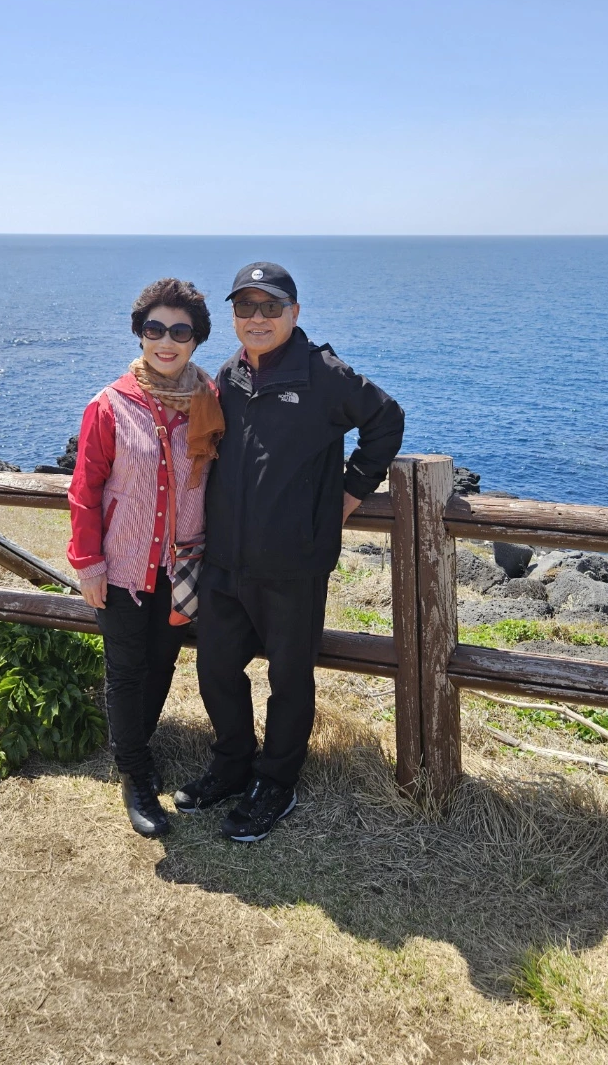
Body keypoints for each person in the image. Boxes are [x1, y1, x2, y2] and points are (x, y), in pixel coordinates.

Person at [174, 261, 404, 842]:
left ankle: (276, 782)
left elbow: (386, 420)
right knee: (215, 668)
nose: (258, 318)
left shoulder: (323, 374)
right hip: (225, 559)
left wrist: (350, 493)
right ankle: (232, 764)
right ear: (233, 315)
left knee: (290, 679)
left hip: (294, 562)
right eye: (245, 306)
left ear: (294, 313)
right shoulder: (228, 375)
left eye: (270, 306)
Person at [68, 278, 224, 837]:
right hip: (123, 567)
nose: (166, 341)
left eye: (180, 332)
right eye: (155, 329)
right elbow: (85, 490)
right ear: (139, 334)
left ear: (196, 339)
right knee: (126, 669)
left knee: (161, 662)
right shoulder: (109, 405)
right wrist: (89, 564)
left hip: (185, 566)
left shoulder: (211, 401)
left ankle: (138, 746)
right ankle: (135, 773)